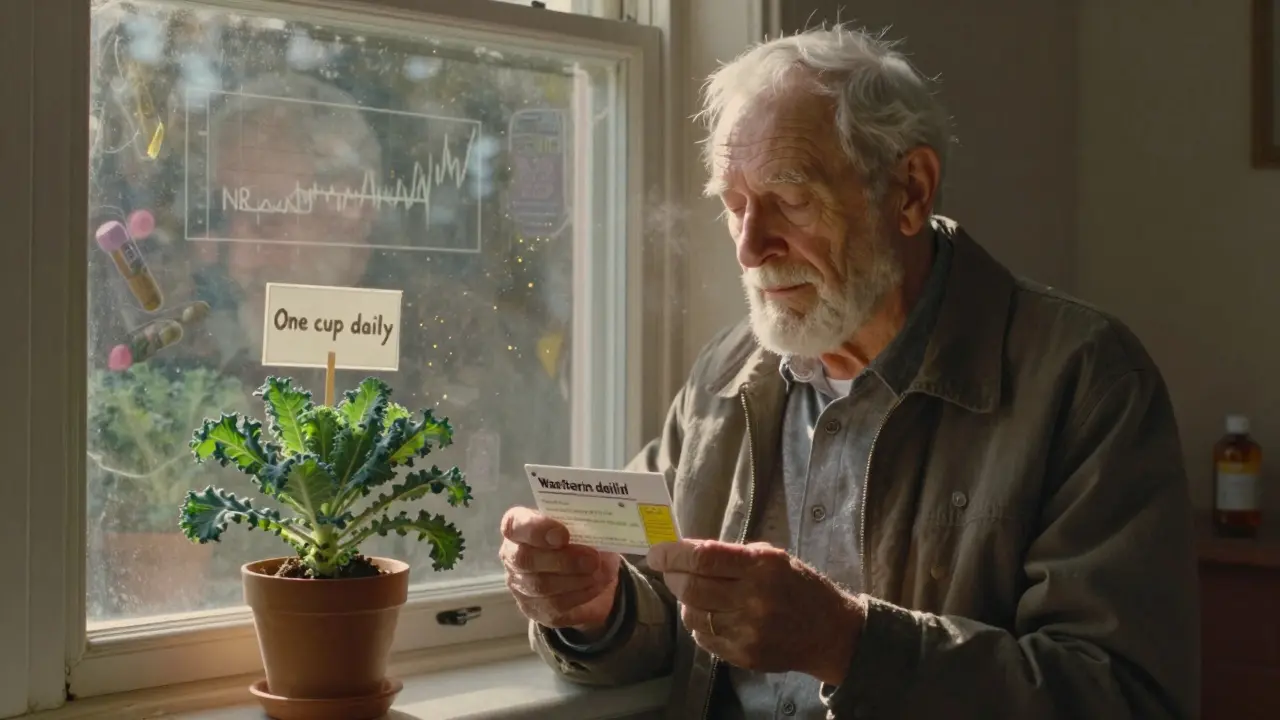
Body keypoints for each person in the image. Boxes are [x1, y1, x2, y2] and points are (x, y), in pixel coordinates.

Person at [499, 24, 1198, 719]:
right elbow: (667, 607)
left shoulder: (1085, 381)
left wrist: (848, 641)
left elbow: (1123, 697)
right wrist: (598, 606)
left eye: (791, 199)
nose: (749, 247)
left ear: (910, 191)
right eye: (734, 204)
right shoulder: (726, 372)